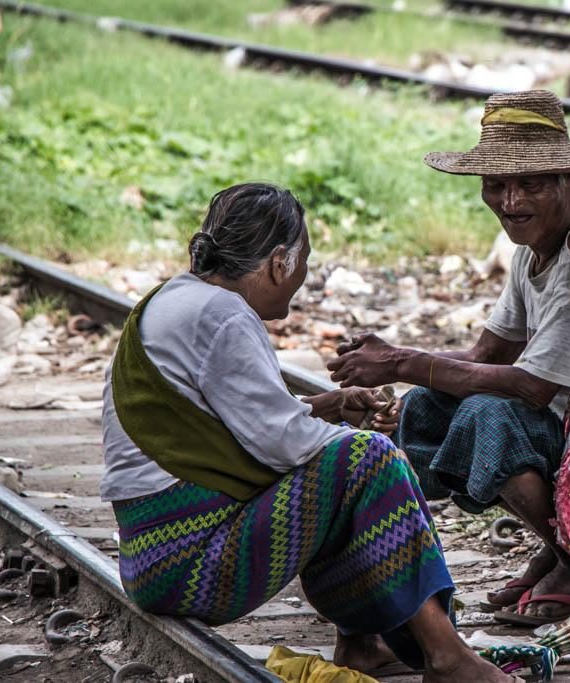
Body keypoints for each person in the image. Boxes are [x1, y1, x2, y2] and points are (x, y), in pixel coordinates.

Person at [100, 182, 514, 682]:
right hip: (191, 564)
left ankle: (362, 644)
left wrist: (329, 407)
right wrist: (374, 455)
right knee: (370, 460)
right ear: (279, 262)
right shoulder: (224, 315)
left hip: (154, 558)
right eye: (303, 262)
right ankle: (447, 655)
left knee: (342, 466)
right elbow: (283, 444)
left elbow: (238, 421)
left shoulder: (171, 299)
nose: (301, 275)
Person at [327, 90, 570, 624]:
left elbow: (530, 387)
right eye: (496, 185)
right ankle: (564, 540)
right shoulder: (536, 248)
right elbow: (485, 354)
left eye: (531, 184)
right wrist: (394, 372)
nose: (510, 201)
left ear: (569, 180)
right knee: (429, 406)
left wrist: (402, 361)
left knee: (486, 416)